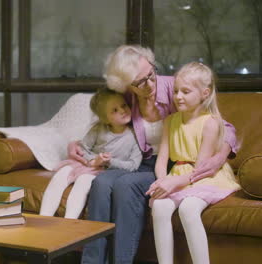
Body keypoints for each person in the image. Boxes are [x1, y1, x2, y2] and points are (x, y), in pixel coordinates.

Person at [72, 45, 238, 264]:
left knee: (126, 186)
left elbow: (222, 125)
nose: (149, 84)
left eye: (151, 74)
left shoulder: (176, 88)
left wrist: (220, 155)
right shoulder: (128, 98)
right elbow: (105, 123)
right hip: (145, 162)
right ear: (127, 85)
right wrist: (77, 144)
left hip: (175, 165)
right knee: (101, 183)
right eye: (140, 82)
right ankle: (91, 261)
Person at [146, 62, 240, 264]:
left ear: (205, 93)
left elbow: (200, 169)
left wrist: (173, 183)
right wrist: (162, 181)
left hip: (205, 177)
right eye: (176, 91)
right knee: (160, 206)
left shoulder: (211, 123)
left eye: (186, 92)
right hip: (178, 174)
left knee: (188, 208)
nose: (178, 96)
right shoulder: (170, 121)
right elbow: (162, 159)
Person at [40, 88, 142, 219]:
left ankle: (69, 221)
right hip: (87, 164)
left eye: (123, 105)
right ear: (106, 119)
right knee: (61, 175)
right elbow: (83, 148)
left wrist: (108, 162)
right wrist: (93, 161)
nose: (122, 111)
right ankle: (43, 218)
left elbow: (133, 166)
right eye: (115, 110)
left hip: (103, 170)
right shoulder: (98, 129)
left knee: (83, 181)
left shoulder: (135, 135)